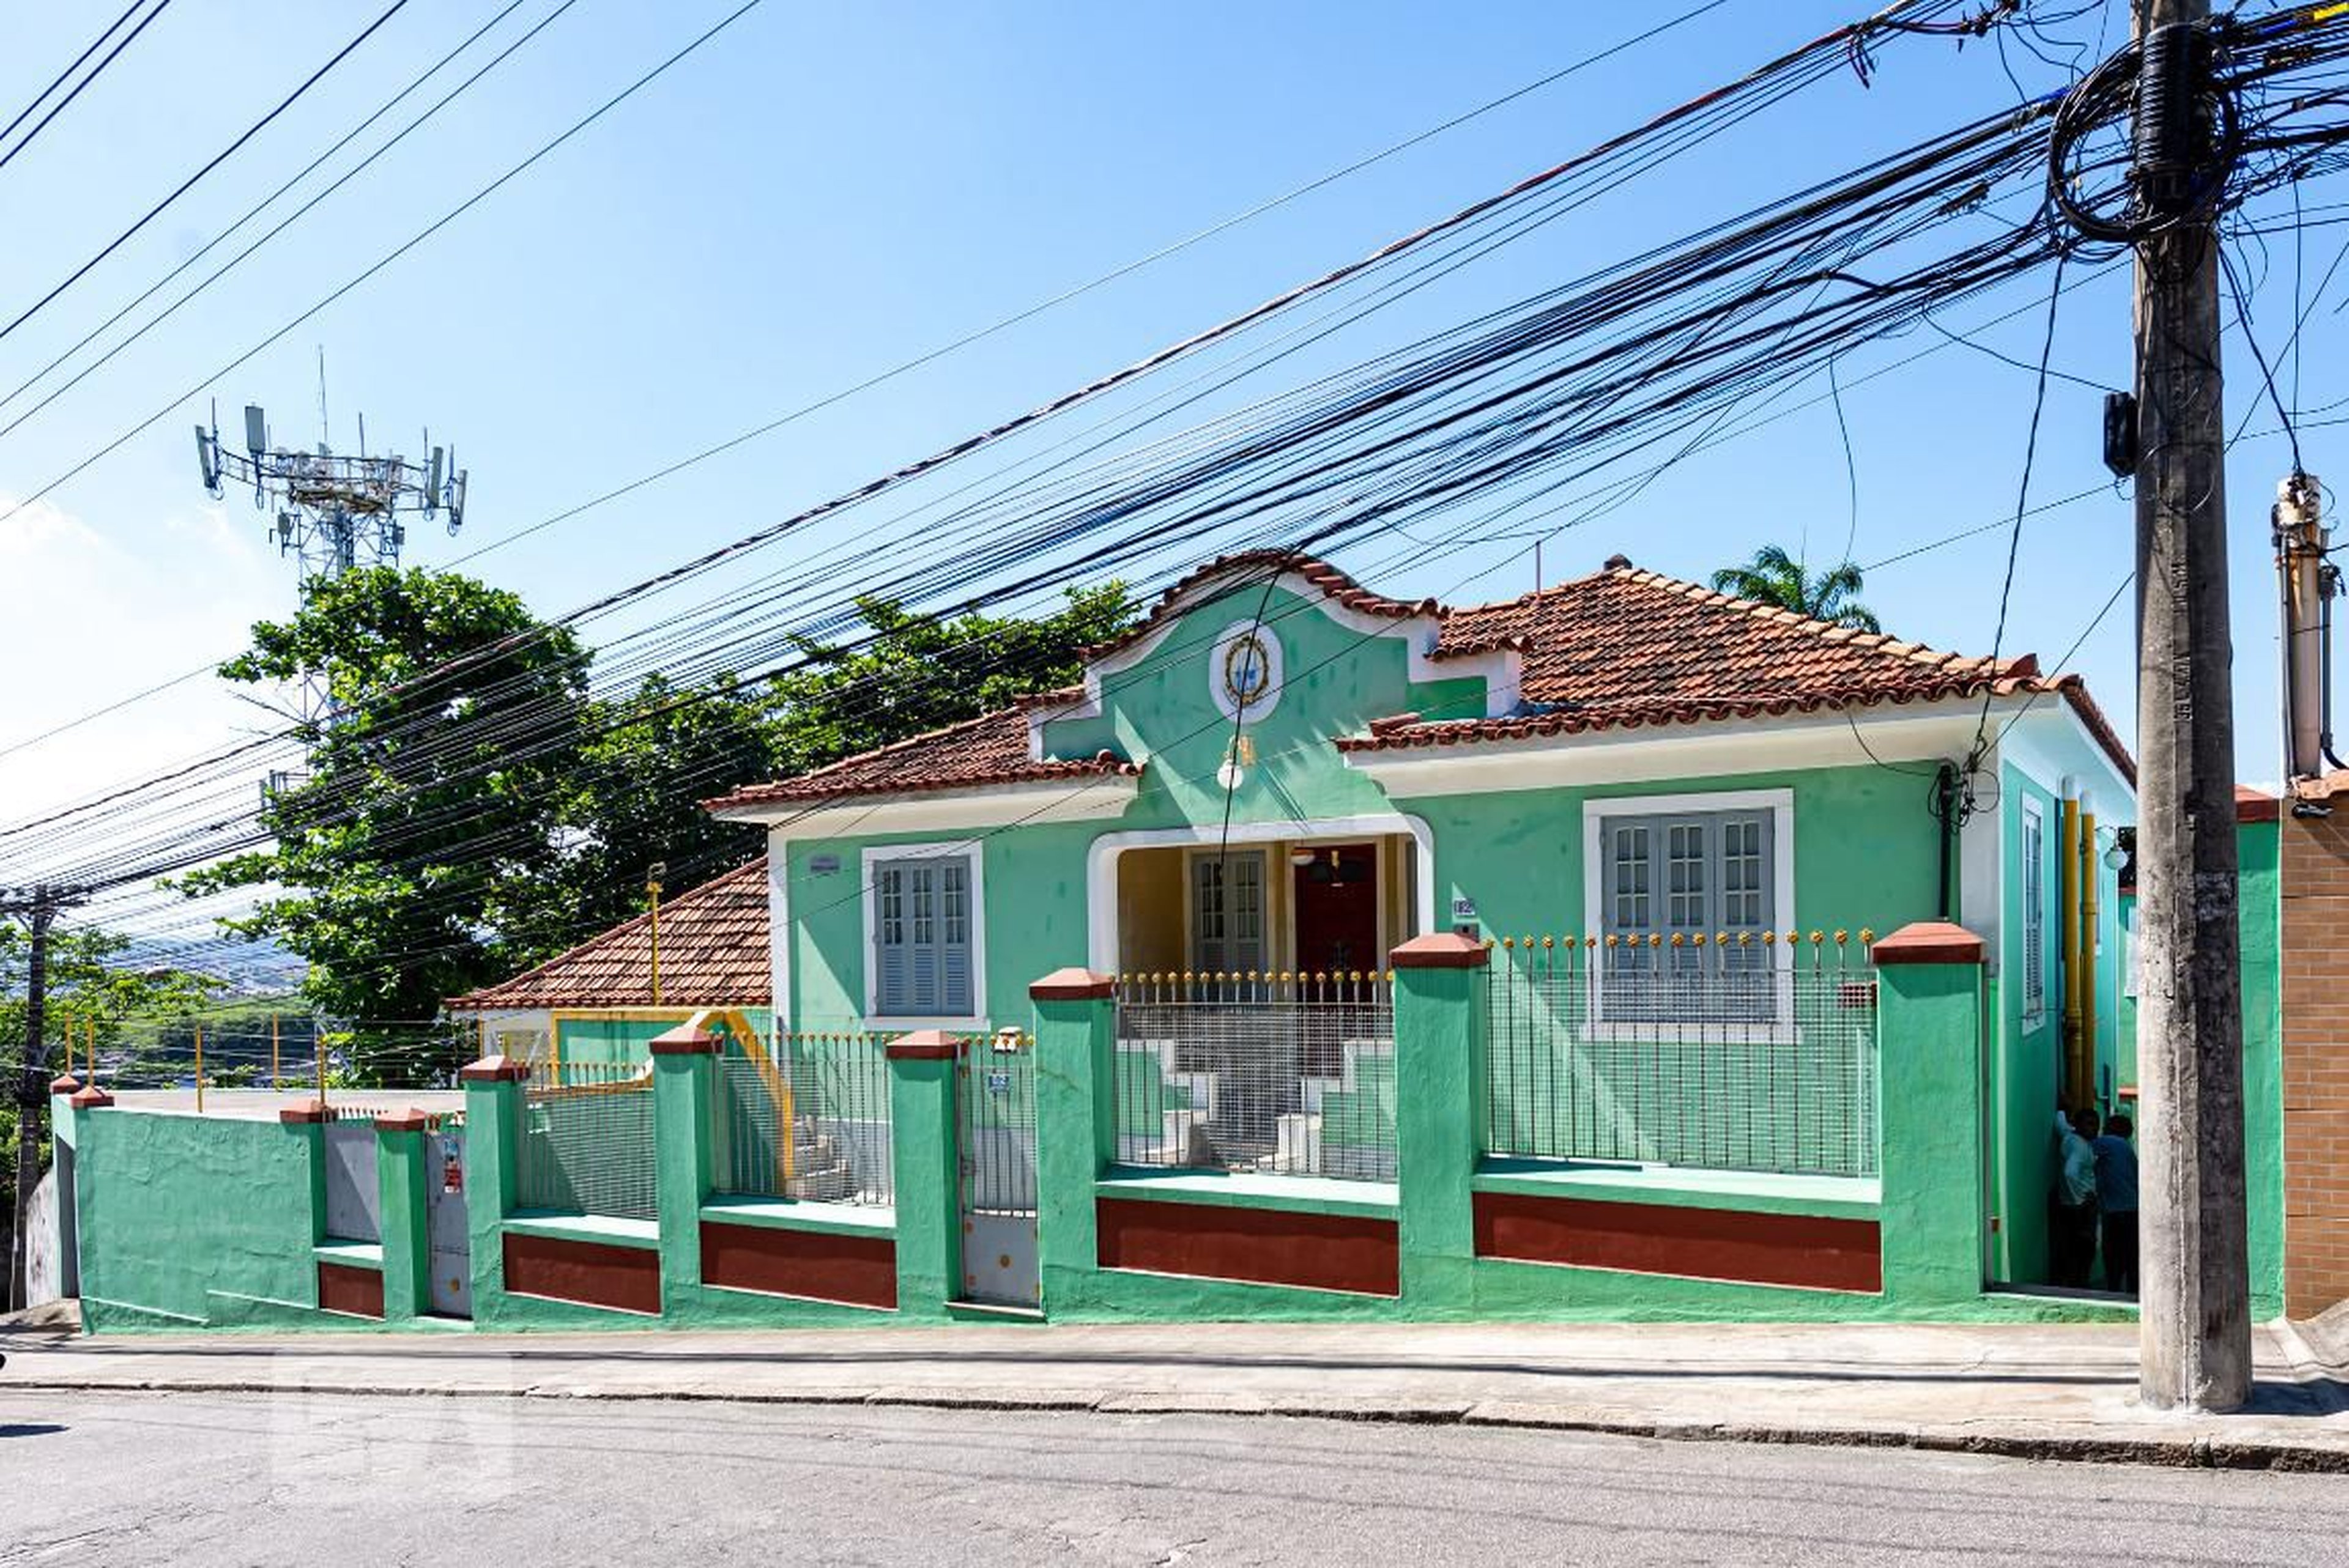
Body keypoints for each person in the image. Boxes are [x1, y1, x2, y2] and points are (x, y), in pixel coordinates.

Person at [2051, 1108, 2101, 1288]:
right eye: (2089, 1124)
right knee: (2085, 1247)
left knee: (2072, 1245)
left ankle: (2074, 1283)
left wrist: (2064, 1108)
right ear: (2078, 1125)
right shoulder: (2080, 1147)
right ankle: (2080, 1285)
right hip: (2082, 1206)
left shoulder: (2070, 1136)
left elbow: (2060, 1123)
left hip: (2068, 1204)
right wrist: (2081, 1200)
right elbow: (2070, 1173)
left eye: (2096, 1124)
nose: (2095, 1128)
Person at [2093, 1112, 2141, 1295]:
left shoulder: (2110, 1142)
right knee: (2131, 1257)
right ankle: (2133, 1294)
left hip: (2116, 1211)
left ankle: (2114, 1295)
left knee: (2113, 1257)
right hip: (2131, 1208)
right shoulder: (2126, 1148)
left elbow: (2082, 1147)